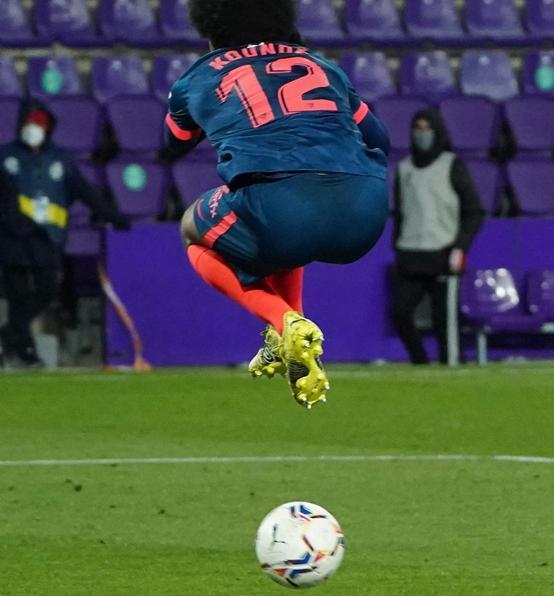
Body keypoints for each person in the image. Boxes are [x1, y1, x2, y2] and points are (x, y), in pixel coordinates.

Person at [167, 0, 390, 407]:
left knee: (192, 228)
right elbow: (381, 140)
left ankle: (284, 320)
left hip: (281, 207)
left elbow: (173, 145)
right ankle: (286, 334)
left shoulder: (197, 77)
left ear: (208, 26)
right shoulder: (322, 66)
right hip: (367, 209)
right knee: (279, 236)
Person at [0, 100, 130, 368]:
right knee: (18, 296)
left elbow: (85, 191)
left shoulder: (60, 159)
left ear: (47, 127)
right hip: (12, 237)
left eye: (39, 123)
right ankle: (26, 352)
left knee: (47, 291)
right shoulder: (5, 157)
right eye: (29, 122)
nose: (33, 128)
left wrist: (113, 216)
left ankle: (9, 334)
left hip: (48, 237)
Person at [391, 109, 483, 365]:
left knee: (445, 322)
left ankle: (452, 368)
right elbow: (400, 211)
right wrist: (397, 245)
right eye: (417, 128)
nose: (422, 134)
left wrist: (460, 247)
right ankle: (420, 363)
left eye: (427, 128)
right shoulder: (404, 168)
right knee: (400, 313)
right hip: (410, 254)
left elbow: (474, 211)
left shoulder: (452, 165)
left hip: (443, 253)